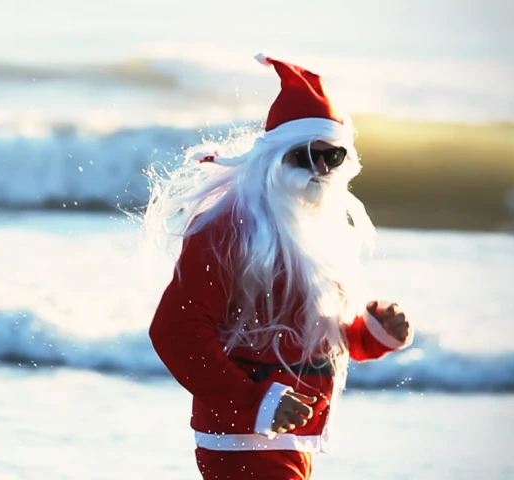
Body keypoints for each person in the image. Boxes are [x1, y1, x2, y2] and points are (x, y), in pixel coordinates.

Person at [144, 53, 415, 479]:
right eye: (307, 154)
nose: (320, 169)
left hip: (295, 434)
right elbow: (174, 332)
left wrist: (374, 334)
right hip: (242, 439)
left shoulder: (320, 230)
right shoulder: (226, 229)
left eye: (333, 157)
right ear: (274, 155)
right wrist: (256, 401)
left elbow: (319, 338)